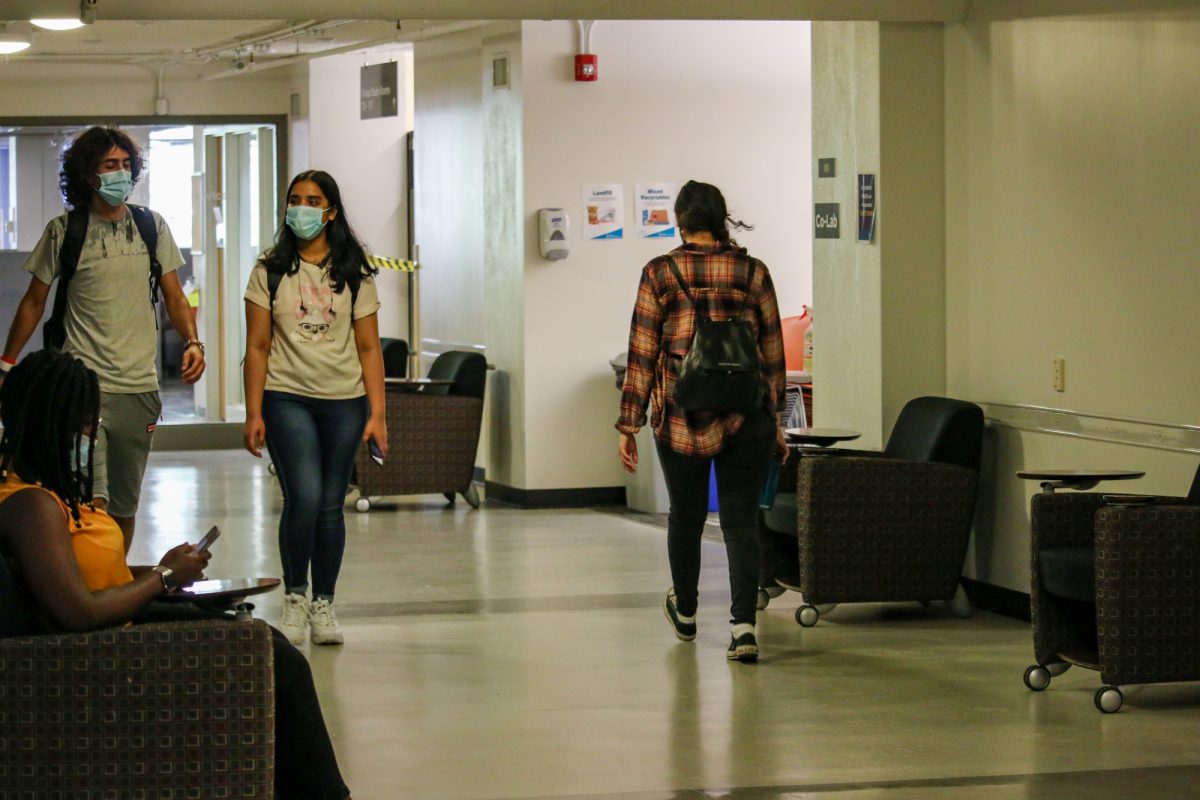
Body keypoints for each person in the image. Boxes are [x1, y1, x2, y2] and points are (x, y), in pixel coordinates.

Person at [0, 349, 352, 800]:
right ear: (50, 423)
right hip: (96, 654)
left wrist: (162, 571)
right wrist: (164, 577)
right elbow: (78, 609)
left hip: (113, 631)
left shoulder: (52, 495)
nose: (94, 432)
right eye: (85, 423)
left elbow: (84, 573)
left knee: (269, 642)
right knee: (278, 662)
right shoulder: (31, 505)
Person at [0, 126, 205, 554]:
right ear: (88, 174)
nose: (121, 173)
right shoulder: (64, 231)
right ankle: (78, 589)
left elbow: (174, 296)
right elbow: (33, 304)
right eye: (110, 165)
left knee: (125, 507)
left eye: (126, 165)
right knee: (85, 499)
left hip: (139, 391)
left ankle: (109, 580)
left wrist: (193, 342)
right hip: (81, 391)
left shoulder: (151, 227)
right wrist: (7, 364)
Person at [616, 180, 787, 663]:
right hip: (745, 413)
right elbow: (772, 354)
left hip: (680, 414)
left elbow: (642, 351)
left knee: (686, 518)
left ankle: (687, 613)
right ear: (721, 219)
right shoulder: (753, 273)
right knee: (740, 521)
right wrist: (775, 422)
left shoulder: (659, 273)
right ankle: (744, 627)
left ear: (680, 222)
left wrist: (628, 423)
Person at [242, 170, 387, 646]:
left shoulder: (354, 270)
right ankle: (295, 596)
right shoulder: (269, 268)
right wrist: (254, 412)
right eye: (294, 199)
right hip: (286, 397)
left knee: (329, 507)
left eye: (312, 200)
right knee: (302, 498)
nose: (301, 208)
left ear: (330, 211)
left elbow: (369, 348)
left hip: (344, 401)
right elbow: (258, 346)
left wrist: (378, 414)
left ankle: (324, 602)